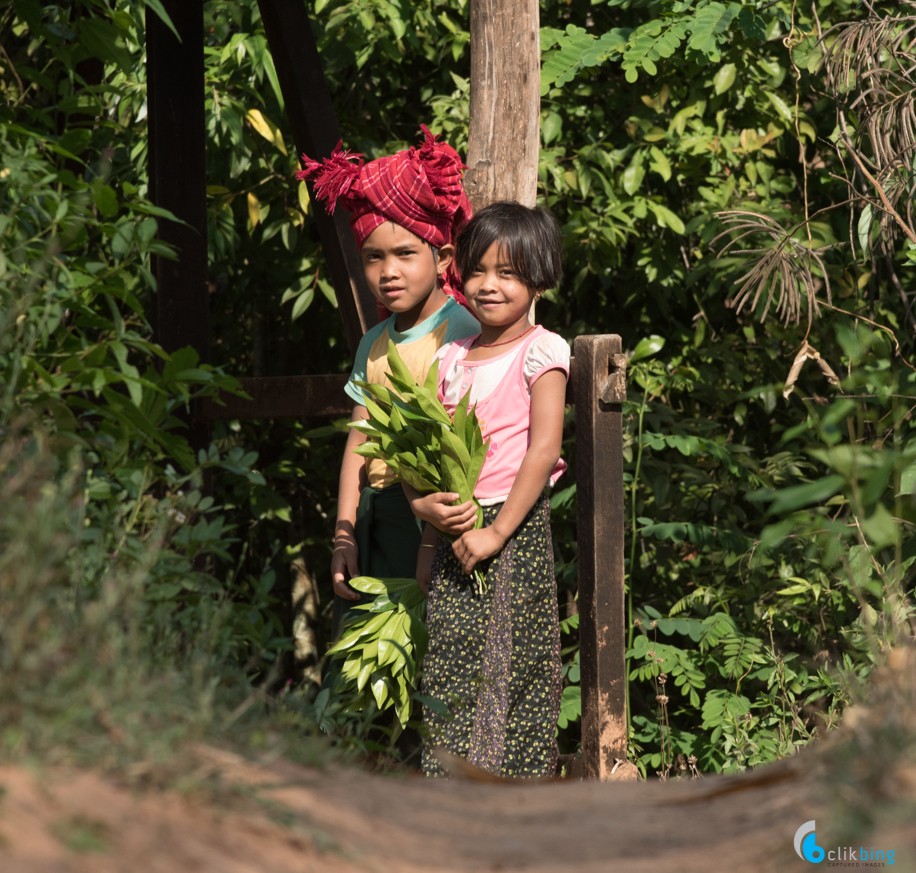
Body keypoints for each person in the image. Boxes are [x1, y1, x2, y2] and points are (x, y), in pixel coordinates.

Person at [410, 201, 569, 778]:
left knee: (508, 660)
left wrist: (498, 532)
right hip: (456, 531)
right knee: (450, 661)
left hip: (513, 528)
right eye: (477, 271)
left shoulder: (542, 350)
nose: (488, 285)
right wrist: (428, 540)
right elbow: (438, 459)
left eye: (508, 272)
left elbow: (544, 449)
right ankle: (449, 793)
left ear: (538, 277)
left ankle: (507, 800)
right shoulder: (453, 356)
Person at [296, 127, 479, 625]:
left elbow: (455, 449)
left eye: (404, 254)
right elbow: (360, 437)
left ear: (443, 259)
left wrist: (428, 542)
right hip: (374, 517)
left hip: (427, 520)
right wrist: (344, 532)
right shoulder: (374, 341)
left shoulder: (461, 333)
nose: (388, 271)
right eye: (374, 257)